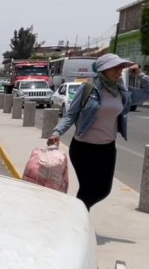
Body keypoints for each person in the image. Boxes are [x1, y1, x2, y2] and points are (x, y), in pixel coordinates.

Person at [47, 53, 149, 209]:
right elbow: (71, 115)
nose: (119, 71)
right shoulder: (88, 89)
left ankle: (74, 213)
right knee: (87, 189)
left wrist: (140, 75)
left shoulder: (123, 92)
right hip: (83, 148)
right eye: (114, 68)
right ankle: (79, 217)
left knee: (103, 190)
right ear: (103, 70)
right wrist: (57, 132)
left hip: (107, 149)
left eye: (120, 68)